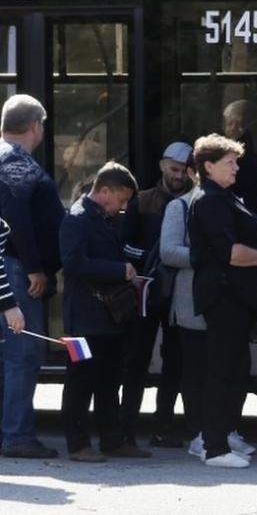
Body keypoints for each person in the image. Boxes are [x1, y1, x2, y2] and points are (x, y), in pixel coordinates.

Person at [189, 133, 257, 469]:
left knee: (236, 370)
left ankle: (222, 438)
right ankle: (213, 448)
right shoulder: (210, 200)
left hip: (238, 298)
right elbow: (231, 253)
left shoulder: (225, 196)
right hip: (224, 297)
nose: (237, 168)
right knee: (221, 372)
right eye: (230, 162)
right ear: (208, 166)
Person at [60, 162, 149, 462]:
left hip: (108, 317)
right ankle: (77, 443)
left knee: (110, 381)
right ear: (104, 190)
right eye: (121, 200)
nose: (122, 207)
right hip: (83, 318)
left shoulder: (104, 218)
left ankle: (112, 439)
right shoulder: (78, 217)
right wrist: (118, 270)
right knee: (80, 380)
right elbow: (73, 265)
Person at [119, 141, 193, 449]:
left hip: (180, 290)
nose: (178, 176)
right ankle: (126, 427)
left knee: (175, 360)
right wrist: (153, 256)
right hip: (147, 290)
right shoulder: (143, 200)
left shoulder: (194, 201)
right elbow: (124, 246)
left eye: (184, 171)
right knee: (137, 357)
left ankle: (163, 424)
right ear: (163, 165)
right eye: (174, 169)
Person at [0, 94, 62, 459]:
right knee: (23, 353)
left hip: (10, 267)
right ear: (36, 125)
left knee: (9, 354)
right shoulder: (14, 161)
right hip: (16, 269)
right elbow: (16, 219)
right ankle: (17, 435)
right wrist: (35, 266)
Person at [158, 158, 209, 459]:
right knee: (194, 370)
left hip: (222, 302)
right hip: (189, 301)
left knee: (221, 369)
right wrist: (210, 256)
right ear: (194, 174)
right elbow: (169, 252)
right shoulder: (179, 207)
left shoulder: (231, 203)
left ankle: (220, 430)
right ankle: (198, 432)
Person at [222, 100, 257, 214]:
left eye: (239, 124)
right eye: (229, 124)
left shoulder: (248, 154)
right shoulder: (223, 152)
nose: (233, 129)